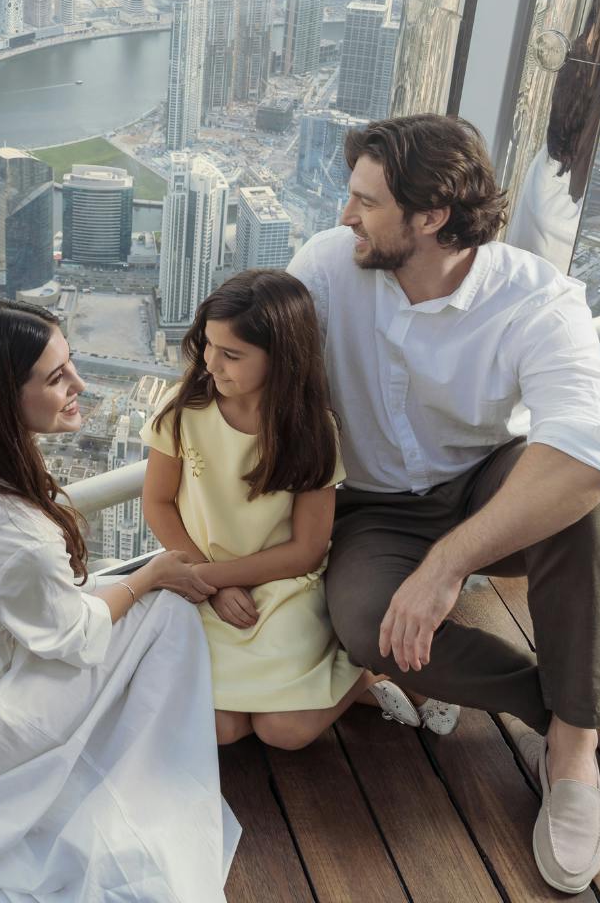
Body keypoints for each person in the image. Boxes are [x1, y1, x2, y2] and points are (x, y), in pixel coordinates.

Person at [288, 114, 600, 894]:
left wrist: (447, 566)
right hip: (373, 507)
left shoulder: (534, 297)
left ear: (430, 217)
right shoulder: (327, 269)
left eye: (366, 201)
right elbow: (253, 379)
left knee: (576, 498)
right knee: (368, 625)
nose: (345, 215)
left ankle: (570, 754)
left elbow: (593, 450)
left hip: (480, 486)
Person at [0, 297, 237, 902]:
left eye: (70, 364)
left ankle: (114, 754)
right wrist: (149, 576)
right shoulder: (11, 530)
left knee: (136, 602)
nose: (79, 384)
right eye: (56, 377)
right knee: (169, 614)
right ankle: (150, 773)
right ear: (2, 398)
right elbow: (75, 637)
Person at [140, 270, 435, 751]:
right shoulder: (183, 409)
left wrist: (216, 578)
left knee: (284, 732)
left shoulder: (312, 431)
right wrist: (210, 582)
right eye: (208, 345)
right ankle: (339, 688)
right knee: (221, 729)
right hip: (203, 578)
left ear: (281, 357)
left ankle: (362, 676)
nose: (211, 363)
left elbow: (306, 550)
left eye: (232, 354)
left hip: (283, 587)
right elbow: (157, 503)